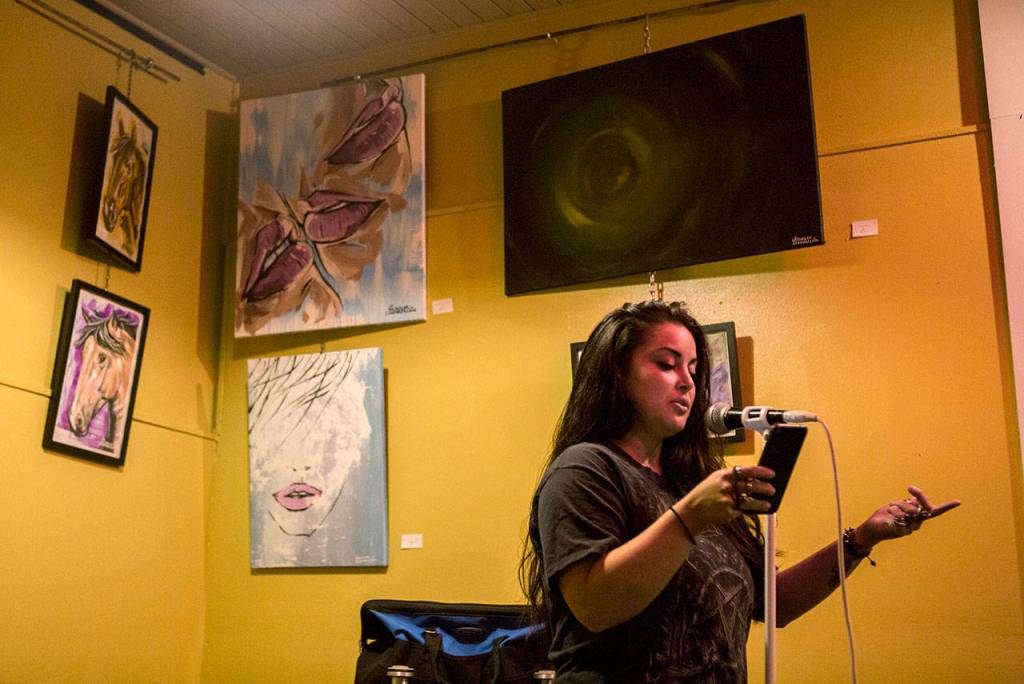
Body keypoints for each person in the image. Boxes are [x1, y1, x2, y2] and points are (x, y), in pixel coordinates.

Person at [520, 300, 959, 682]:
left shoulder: (688, 482)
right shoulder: (584, 470)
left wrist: (864, 537)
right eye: (666, 364)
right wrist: (689, 518)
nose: (688, 382)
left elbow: (775, 603)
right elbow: (595, 606)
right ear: (617, 373)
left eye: (693, 369)